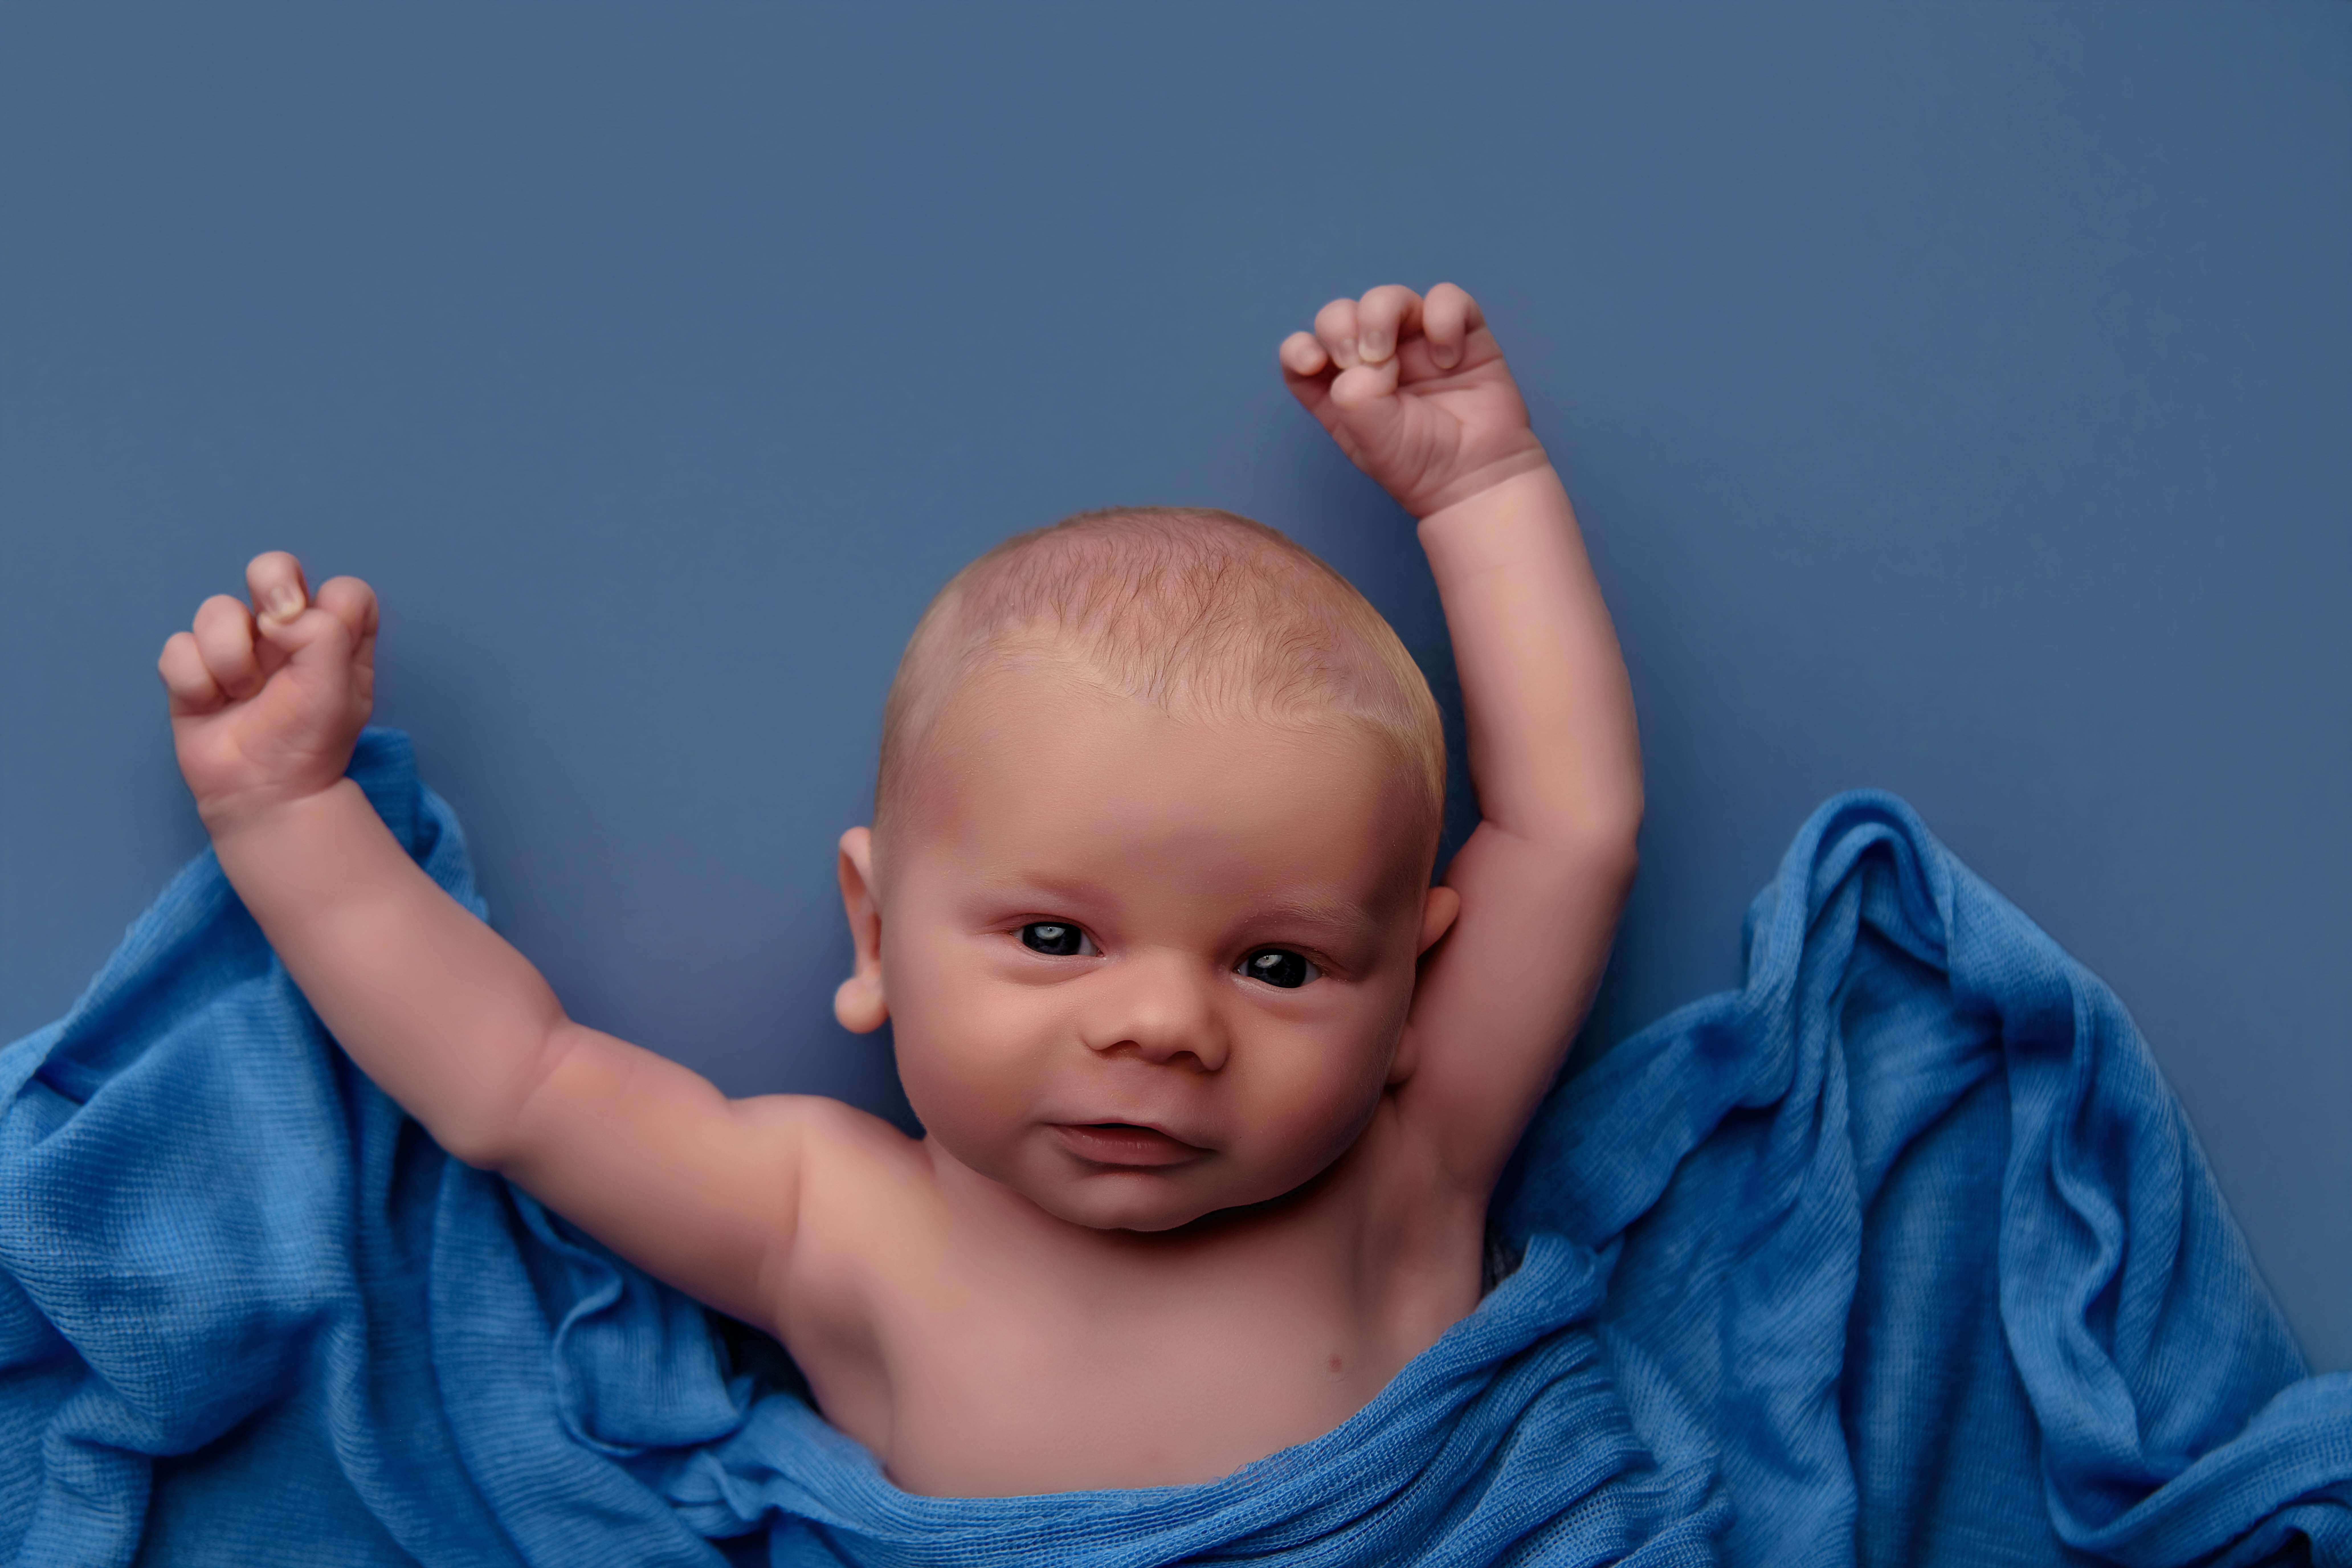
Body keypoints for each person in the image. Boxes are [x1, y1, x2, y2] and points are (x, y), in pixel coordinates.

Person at [154, 282, 1644, 1498]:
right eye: (1057, 938)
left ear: (1403, 993)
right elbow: (515, 1085)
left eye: (1279, 967)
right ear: (875, 932)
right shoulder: (839, 1222)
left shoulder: (1415, 1155)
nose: (1163, 1025)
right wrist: (283, 810)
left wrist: (1483, 487)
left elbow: (1566, 830)